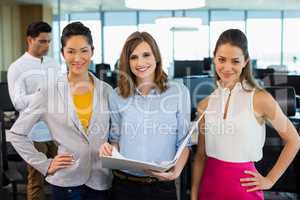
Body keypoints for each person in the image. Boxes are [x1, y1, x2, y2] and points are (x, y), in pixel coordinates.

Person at [191, 29, 300, 200]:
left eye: (235, 61)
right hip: (209, 187)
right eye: (221, 60)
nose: (227, 67)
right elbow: (200, 156)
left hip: (244, 189)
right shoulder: (205, 105)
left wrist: (270, 180)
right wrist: (194, 195)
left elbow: (294, 140)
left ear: (245, 62)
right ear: (214, 59)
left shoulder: (260, 98)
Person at [8, 22, 112, 200]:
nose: (78, 57)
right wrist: (45, 165)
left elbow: (115, 134)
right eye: (71, 51)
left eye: (84, 50)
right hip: (67, 182)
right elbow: (16, 134)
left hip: (100, 180)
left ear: (92, 52)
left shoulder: (106, 91)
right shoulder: (49, 91)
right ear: (63, 53)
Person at [99, 31, 191, 200]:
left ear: (156, 56)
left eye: (146, 55)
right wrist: (109, 150)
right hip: (124, 186)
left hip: (161, 186)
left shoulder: (178, 92)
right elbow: (116, 139)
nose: (140, 62)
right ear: (127, 62)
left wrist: (175, 173)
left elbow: (184, 141)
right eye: (133, 57)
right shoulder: (116, 95)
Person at [7, 21, 58, 200]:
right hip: (34, 133)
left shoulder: (53, 64)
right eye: (42, 41)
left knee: (64, 177)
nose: (47, 46)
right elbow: (18, 102)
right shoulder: (17, 67)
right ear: (30, 40)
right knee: (36, 181)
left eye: (49, 41)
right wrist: (41, 95)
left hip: (57, 130)